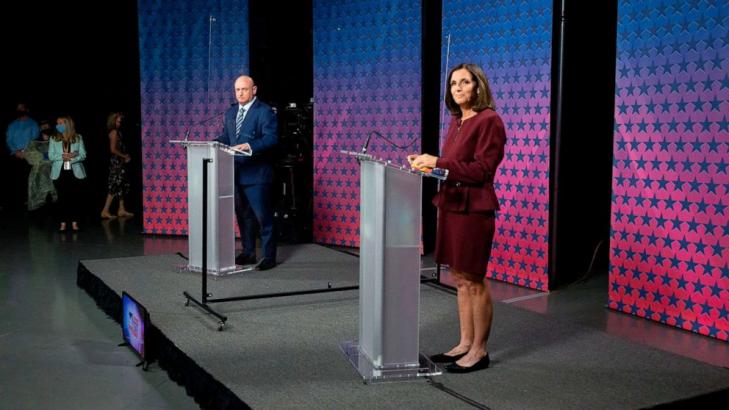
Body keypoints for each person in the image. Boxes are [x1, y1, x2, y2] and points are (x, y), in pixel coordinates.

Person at [408, 63, 506, 373]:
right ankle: (464, 342)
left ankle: (479, 350)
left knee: (474, 280)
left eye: (465, 82)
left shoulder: (490, 121)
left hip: (473, 210)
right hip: (450, 204)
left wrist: (438, 161)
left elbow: (482, 171)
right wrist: (429, 167)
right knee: (460, 279)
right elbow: (451, 167)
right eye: (453, 84)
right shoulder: (456, 120)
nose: (458, 88)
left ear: (478, 86)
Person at [215, 75, 278, 270]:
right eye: (237, 90)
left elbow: (272, 139)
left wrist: (250, 146)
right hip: (236, 173)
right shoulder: (231, 112)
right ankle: (248, 252)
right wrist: (213, 144)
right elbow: (227, 137)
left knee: (263, 218)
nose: (240, 93)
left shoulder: (265, 111)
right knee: (243, 217)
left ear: (254, 90)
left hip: (257, 175)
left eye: (244, 89)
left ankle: (269, 257)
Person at [49, 116, 87, 231]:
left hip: (75, 172)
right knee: (61, 199)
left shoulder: (78, 137)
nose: (58, 125)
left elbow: (83, 154)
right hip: (59, 173)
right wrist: (63, 156)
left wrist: (72, 158)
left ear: (68, 124)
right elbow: (51, 156)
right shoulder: (53, 138)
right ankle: (63, 223)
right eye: (57, 123)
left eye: (61, 123)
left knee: (74, 198)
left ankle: (75, 223)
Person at [5, 102, 40, 210]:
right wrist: (15, 151)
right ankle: (16, 204)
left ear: (27, 109)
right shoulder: (12, 125)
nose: (20, 110)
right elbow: (9, 140)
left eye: (22, 108)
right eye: (18, 108)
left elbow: (35, 139)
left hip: (29, 155)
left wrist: (25, 151)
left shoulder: (33, 123)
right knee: (15, 180)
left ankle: (30, 202)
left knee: (29, 179)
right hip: (15, 155)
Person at [100, 112, 134, 219]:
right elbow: (112, 149)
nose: (120, 123)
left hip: (120, 162)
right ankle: (105, 210)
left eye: (121, 121)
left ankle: (121, 209)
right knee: (114, 186)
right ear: (113, 121)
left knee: (122, 185)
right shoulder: (114, 132)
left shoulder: (119, 132)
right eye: (119, 121)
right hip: (116, 163)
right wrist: (124, 156)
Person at [24, 120, 57, 211]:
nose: (45, 130)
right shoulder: (34, 142)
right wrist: (43, 156)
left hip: (55, 170)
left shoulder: (57, 141)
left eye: (47, 127)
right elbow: (29, 155)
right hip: (39, 171)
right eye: (43, 128)